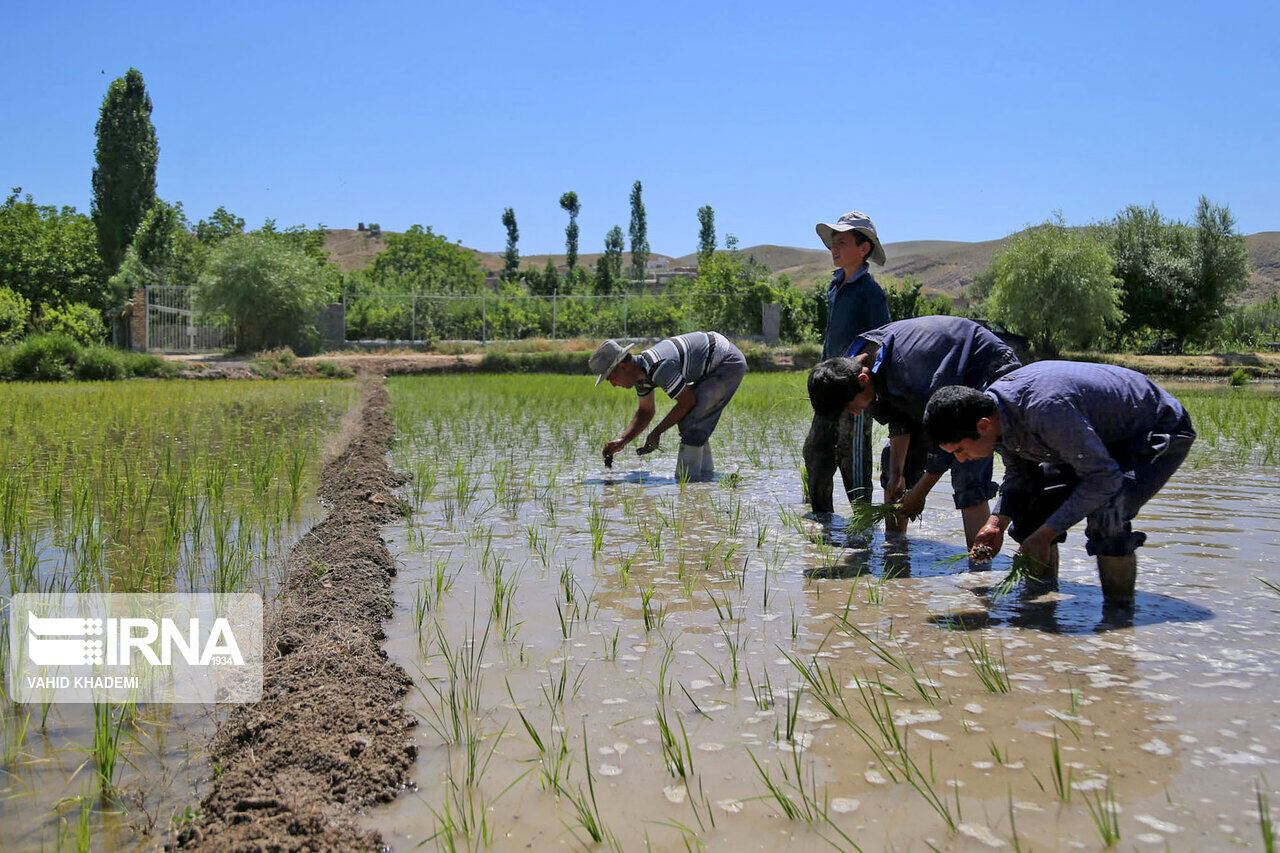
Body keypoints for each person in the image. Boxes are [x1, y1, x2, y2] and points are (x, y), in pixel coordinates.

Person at [922, 362, 1196, 608]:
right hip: (1087, 436)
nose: (960, 459)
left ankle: (1118, 617)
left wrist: (1046, 534)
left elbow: (1104, 477)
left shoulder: (1046, 410)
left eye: (959, 450)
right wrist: (997, 522)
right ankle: (1040, 606)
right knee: (1029, 510)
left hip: (1151, 428)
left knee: (1107, 516)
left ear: (982, 426)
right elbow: (1020, 474)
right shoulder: (994, 415)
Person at [807, 316, 1021, 545]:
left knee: (968, 465)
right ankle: (896, 550)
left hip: (984, 369)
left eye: (853, 407)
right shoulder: (857, 368)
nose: (857, 413)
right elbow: (899, 420)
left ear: (863, 379)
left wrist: (919, 493)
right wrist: (898, 474)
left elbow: (946, 435)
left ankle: (979, 566)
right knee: (895, 466)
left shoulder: (907, 367)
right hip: (935, 390)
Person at [804, 210, 890, 514]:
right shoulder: (835, 286)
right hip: (830, 387)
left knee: (853, 458)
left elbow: (880, 340)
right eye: (832, 243)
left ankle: (861, 527)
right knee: (816, 451)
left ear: (863, 248)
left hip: (852, 386)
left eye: (841, 242)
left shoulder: (870, 292)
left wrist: (857, 376)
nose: (834, 249)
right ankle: (821, 521)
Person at [590, 331, 747, 481]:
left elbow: (687, 402)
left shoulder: (658, 366)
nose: (613, 384)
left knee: (691, 424)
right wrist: (622, 441)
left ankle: (689, 482)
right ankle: (704, 478)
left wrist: (657, 432)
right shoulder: (642, 376)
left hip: (726, 361)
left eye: (610, 378)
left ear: (623, 367)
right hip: (710, 364)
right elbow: (645, 412)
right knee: (692, 423)